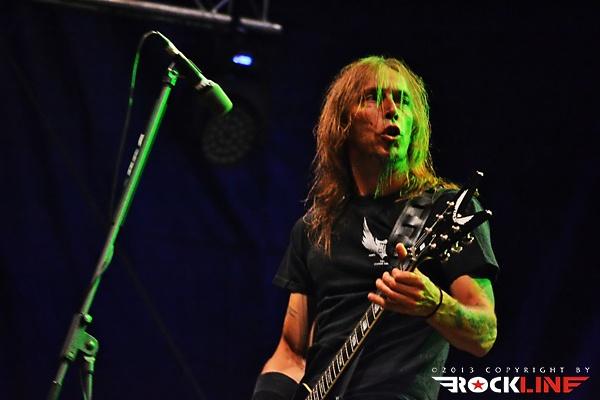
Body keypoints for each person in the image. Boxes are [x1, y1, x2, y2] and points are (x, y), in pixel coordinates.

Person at [253, 56, 498, 400]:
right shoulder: (314, 228)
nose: (392, 110)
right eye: (373, 97)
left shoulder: (445, 211)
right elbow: (291, 351)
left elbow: (484, 334)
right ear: (343, 122)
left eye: (403, 101)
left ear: (415, 125)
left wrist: (434, 303)